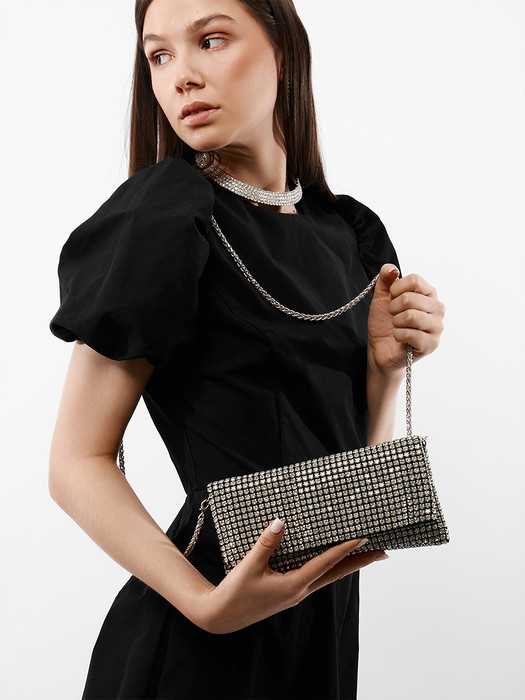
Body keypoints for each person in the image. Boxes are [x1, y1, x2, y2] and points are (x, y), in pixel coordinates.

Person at [48, 0, 446, 698]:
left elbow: (343, 483)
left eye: (210, 40)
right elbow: (75, 462)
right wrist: (205, 604)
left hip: (319, 624)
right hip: (198, 638)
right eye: (159, 55)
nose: (180, 75)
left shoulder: (344, 233)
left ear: (283, 48)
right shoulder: (167, 215)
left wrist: (383, 373)